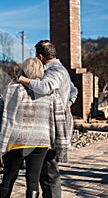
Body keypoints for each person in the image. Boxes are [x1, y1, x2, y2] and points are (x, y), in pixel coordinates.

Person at [0, 57, 70, 198]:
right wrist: (62, 144)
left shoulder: (13, 88)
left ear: (24, 70)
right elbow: (60, 118)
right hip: (41, 141)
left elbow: (1, 115)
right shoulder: (51, 92)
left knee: (8, 178)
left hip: (16, 140)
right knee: (33, 180)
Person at [18, 40, 78, 198]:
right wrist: (68, 104)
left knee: (49, 170)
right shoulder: (62, 69)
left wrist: (23, 80)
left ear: (39, 56)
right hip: (58, 121)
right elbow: (74, 90)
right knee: (48, 168)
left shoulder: (53, 71)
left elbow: (45, 87)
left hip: (53, 125)